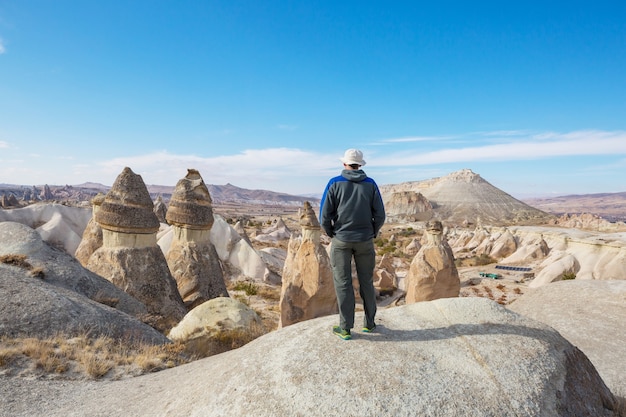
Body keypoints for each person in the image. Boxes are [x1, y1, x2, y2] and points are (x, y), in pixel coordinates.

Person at [320, 149, 386, 340]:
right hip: (365, 240)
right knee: (366, 281)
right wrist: (372, 231)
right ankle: (370, 323)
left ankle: (345, 328)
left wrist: (332, 232)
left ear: (344, 164)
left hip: (342, 240)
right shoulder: (370, 184)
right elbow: (380, 214)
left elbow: (325, 216)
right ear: (361, 165)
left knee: (343, 282)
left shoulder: (334, 183)